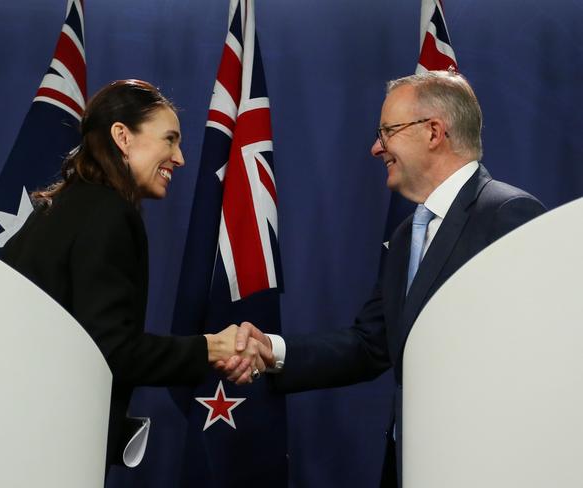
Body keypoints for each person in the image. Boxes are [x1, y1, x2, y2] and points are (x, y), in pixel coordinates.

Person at [221, 70, 546, 487]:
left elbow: (531, 355)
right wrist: (273, 350)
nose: (377, 148)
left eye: (388, 131)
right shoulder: (407, 233)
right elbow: (372, 343)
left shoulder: (506, 214)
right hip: (410, 463)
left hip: (481, 463)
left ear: (433, 132)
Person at [0, 79, 271, 476]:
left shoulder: (60, 207)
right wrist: (211, 347)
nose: (179, 158)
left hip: (15, 435)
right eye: (170, 139)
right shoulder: (110, 213)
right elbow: (111, 351)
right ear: (122, 137)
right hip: (50, 449)